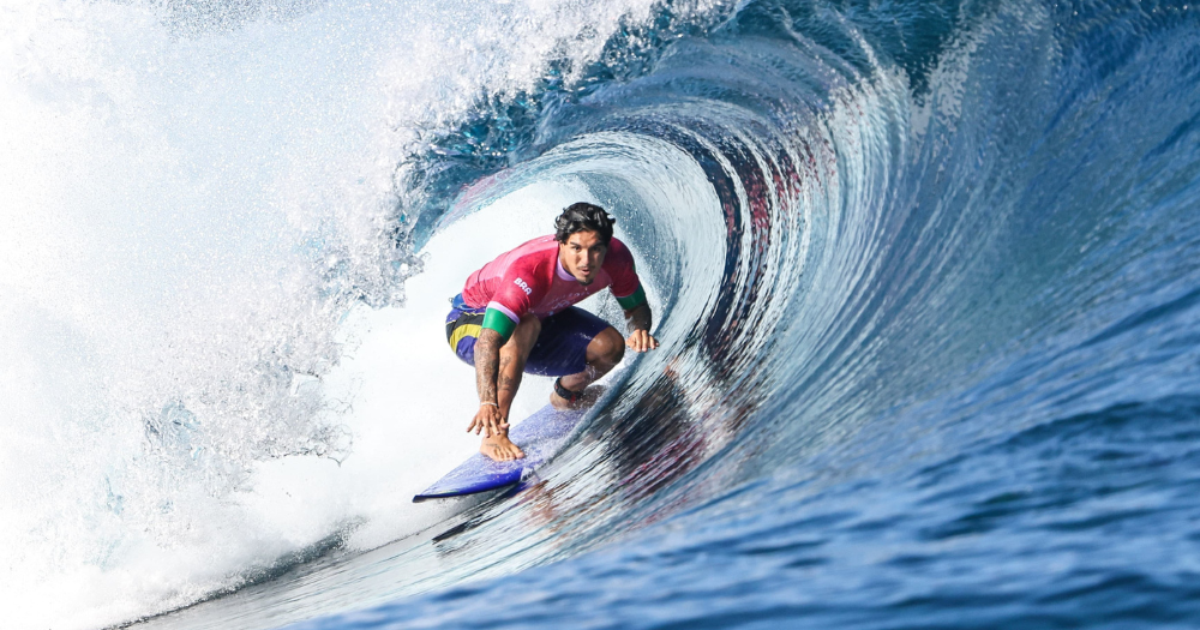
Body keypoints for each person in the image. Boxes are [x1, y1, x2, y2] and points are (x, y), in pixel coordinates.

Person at [444, 202, 659, 461]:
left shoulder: (616, 258)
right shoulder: (528, 272)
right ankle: (493, 437)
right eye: (576, 249)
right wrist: (487, 403)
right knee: (526, 324)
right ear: (561, 243)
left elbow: (636, 308)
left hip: (540, 316)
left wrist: (639, 330)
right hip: (469, 323)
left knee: (610, 347)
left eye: (595, 250)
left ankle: (566, 396)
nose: (586, 261)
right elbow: (487, 343)